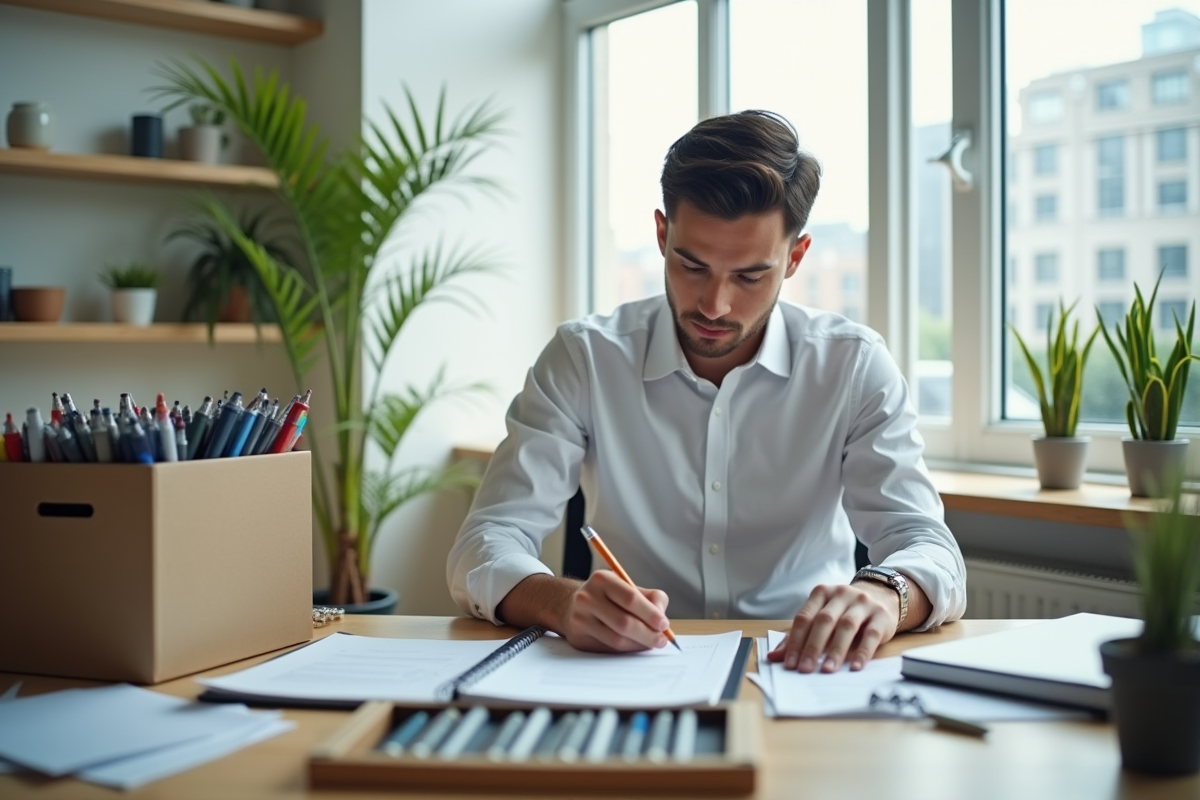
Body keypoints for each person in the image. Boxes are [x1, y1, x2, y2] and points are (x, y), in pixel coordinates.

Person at [447, 110, 966, 673]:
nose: (715, 306)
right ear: (662, 235)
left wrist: (887, 595)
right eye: (692, 266)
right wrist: (561, 601)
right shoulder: (585, 358)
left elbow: (928, 545)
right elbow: (485, 541)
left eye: (749, 276)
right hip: (626, 672)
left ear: (795, 258)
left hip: (806, 668)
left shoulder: (854, 365)